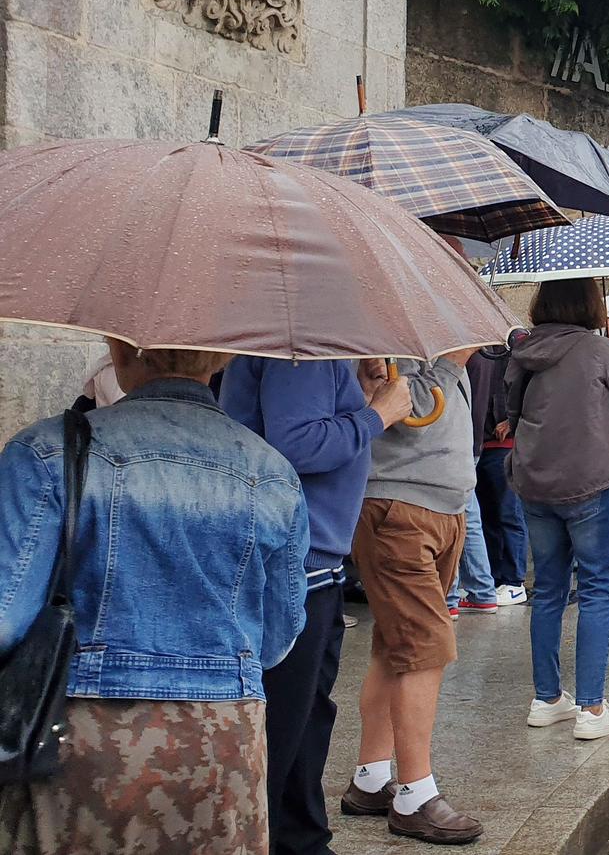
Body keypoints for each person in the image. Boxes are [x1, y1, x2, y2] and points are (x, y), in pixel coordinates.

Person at [0, 343, 307, 854]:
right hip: (226, 739)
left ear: (119, 349)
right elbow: (275, 639)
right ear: (222, 359)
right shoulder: (273, 472)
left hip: (83, 734)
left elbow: (5, 616)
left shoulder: (48, 450)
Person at [221, 354, 410, 855]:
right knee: (286, 719)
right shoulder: (301, 347)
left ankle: (302, 838)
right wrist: (378, 414)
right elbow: (296, 443)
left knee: (306, 715)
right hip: (294, 559)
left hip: (306, 556)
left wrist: (362, 398)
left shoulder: (311, 348)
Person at [508, 279, 609, 741]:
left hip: (535, 481)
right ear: (591, 306)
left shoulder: (524, 351)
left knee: (549, 588)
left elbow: (510, 410)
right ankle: (592, 710)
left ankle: (547, 699)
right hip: (594, 481)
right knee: (597, 586)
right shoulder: (601, 352)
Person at [339, 354, 482, 844]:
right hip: (400, 506)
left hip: (439, 506)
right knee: (425, 647)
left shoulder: (435, 340)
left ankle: (372, 777)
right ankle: (415, 795)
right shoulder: (397, 335)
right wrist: (449, 365)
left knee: (395, 646)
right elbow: (413, 410)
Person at [468, 344, 528, 607]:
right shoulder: (474, 348)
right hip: (479, 442)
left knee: (508, 514)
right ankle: (494, 577)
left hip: (502, 443)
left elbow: (532, 387)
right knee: (486, 517)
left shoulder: (514, 346)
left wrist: (514, 420)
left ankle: (514, 581)